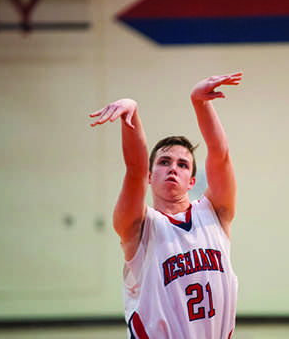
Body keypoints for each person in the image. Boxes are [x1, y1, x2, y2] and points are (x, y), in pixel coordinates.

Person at [90, 72, 242, 339]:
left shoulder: (215, 213)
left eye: (182, 164)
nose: (173, 168)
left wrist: (200, 102)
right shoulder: (139, 226)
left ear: (191, 180)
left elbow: (220, 154)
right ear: (151, 177)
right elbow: (135, 169)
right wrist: (132, 114)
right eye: (164, 162)